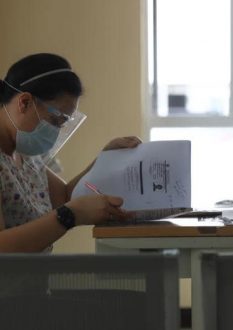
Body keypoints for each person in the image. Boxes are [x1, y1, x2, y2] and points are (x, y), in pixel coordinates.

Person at [0, 53, 141, 252]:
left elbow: (64, 196)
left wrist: (104, 159)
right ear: (24, 102)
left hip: (32, 282)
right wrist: (69, 216)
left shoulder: (24, 155)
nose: (55, 131)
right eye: (54, 120)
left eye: (62, 123)